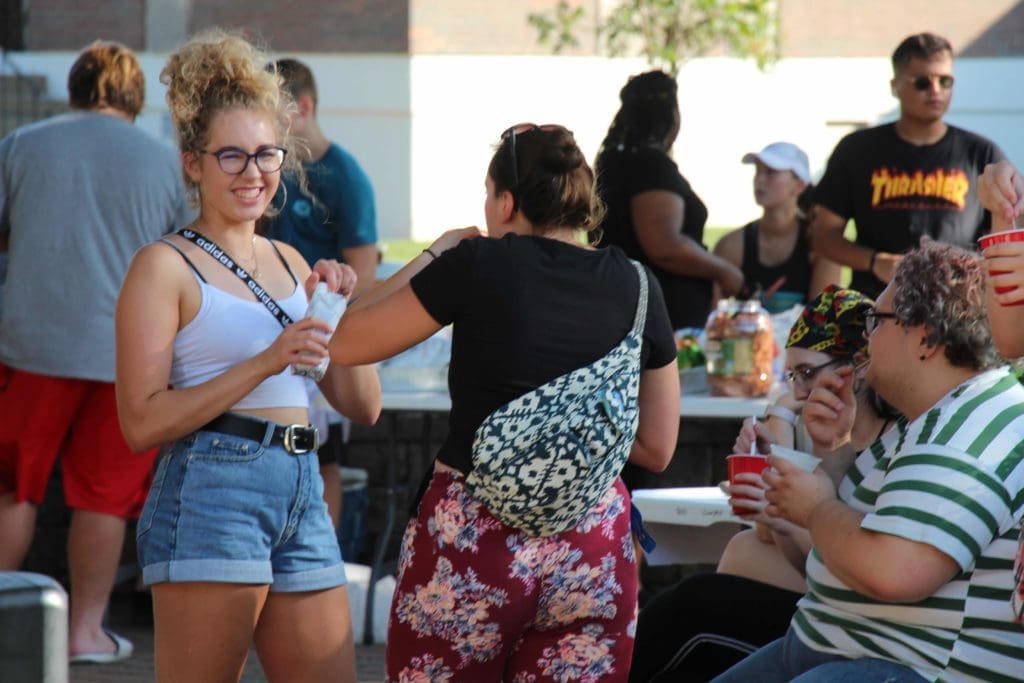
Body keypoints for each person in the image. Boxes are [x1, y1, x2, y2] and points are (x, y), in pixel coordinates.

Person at [331, 123, 680, 680]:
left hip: (472, 543)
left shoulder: (477, 265)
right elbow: (658, 448)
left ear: (507, 201)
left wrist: (435, 253)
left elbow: (345, 341)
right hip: (589, 549)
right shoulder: (638, 285)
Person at [114, 30, 381, 682]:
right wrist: (266, 360)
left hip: (303, 484)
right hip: (211, 487)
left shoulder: (293, 262)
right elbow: (141, 423)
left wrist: (339, 310)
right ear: (191, 164)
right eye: (230, 155)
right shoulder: (164, 265)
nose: (252, 172)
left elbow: (363, 404)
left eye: (266, 154)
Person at [713, 242, 1024, 682]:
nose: (865, 338)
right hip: (845, 653)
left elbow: (893, 571)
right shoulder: (933, 417)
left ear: (926, 338)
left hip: (908, 670)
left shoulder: (966, 432)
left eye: (876, 321)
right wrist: (835, 445)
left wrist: (815, 508)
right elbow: (855, 535)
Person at [0, 41, 191, 664]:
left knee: (14, 488)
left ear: (77, 85)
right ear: (136, 97)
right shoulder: (165, 162)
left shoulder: (24, 143)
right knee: (103, 498)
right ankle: (85, 632)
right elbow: (183, 257)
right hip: (126, 358)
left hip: (31, 346)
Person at [630, 286, 899, 682]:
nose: (799, 392)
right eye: (791, 376)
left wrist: (782, 439)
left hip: (855, 625)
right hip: (826, 606)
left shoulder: (890, 441)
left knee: (693, 606)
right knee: (703, 596)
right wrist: (775, 453)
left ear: (858, 366)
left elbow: (836, 560)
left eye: (807, 373)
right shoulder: (824, 427)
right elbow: (770, 536)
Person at [265, 57, 380, 529]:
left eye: (274, 113)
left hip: (324, 339)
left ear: (304, 108)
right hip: (267, 334)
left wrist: (340, 340)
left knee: (323, 457)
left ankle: (322, 555)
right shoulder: (267, 170)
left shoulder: (346, 177)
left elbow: (365, 279)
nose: (266, 127)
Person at [811, 32, 1005, 299]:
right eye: (923, 82)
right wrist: (875, 261)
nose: (936, 91)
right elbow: (823, 237)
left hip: (959, 311)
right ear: (895, 86)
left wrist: (970, 267)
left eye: (945, 81)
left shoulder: (981, 153)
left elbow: (1008, 237)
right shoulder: (857, 150)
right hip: (879, 310)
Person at [594, 69, 744, 331]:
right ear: (672, 115)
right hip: (664, 319)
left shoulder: (618, 162)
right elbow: (665, 246)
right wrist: (724, 271)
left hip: (630, 309)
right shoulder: (650, 167)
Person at [712, 142, 840, 312]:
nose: (759, 180)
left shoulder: (821, 246)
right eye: (757, 171)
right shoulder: (732, 245)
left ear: (799, 185)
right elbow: (714, 318)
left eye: (770, 173)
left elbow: (822, 319)